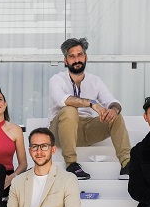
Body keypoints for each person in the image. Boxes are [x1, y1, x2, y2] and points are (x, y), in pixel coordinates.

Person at [49, 37, 132, 181]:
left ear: (85, 57)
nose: (77, 60)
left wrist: (113, 110)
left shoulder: (95, 80)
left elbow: (112, 101)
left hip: (86, 130)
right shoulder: (57, 79)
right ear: (65, 60)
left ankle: (127, 163)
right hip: (60, 130)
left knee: (116, 114)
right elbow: (62, 100)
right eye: (72, 56)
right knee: (70, 110)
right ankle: (71, 164)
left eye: (80, 55)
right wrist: (91, 103)